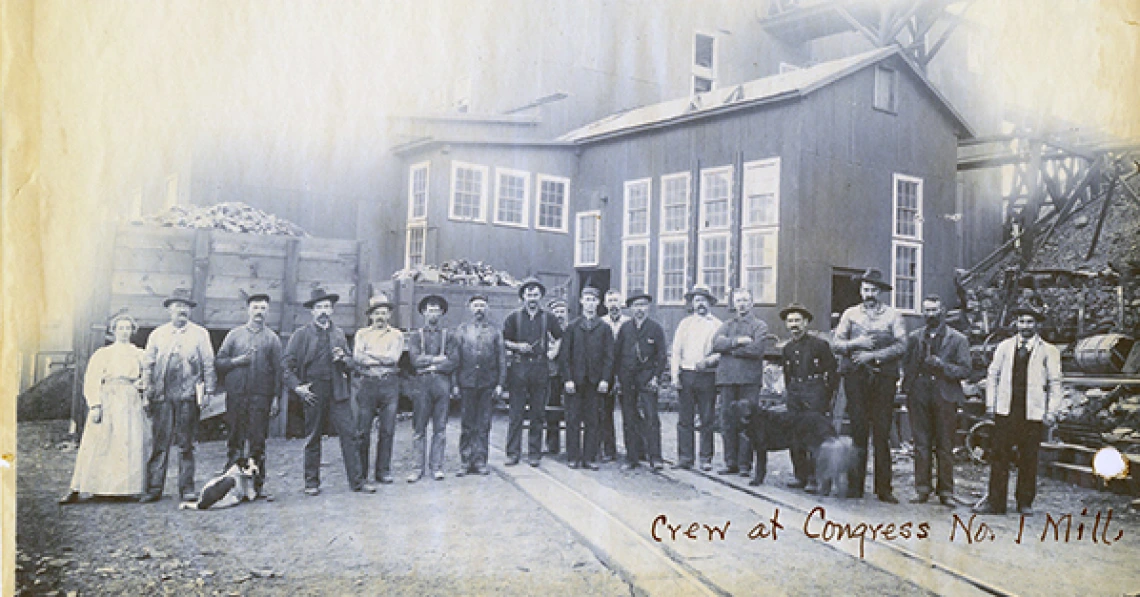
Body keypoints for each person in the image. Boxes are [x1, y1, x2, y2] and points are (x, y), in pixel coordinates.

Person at [974, 305, 1062, 516]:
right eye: (1022, 321)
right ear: (1016, 324)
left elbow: (1055, 383)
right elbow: (992, 375)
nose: (1025, 326)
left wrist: (1051, 412)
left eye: (1030, 322)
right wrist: (991, 405)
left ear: (1037, 324)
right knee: (999, 456)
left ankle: (1024, 502)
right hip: (1006, 411)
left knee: (1029, 458)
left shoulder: (1048, 350)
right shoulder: (1005, 347)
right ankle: (996, 502)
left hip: (1032, 413)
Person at [284, 288, 374, 496]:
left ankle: (357, 482)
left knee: (350, 436)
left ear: (332, 310)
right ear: (312, 311)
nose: (323, 311)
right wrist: (297, 386)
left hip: (338, 392)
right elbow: (286, 365)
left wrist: (343, 358)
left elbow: (352, 364)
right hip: (314, 391)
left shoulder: (339, 334)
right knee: (313, 437)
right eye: (319, 307)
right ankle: (311, 482)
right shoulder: (301, 335)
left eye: (327, 307)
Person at [832, 268, 907, 503]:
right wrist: (858, 343)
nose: (869, 294)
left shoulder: (893, 316)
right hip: (856, 378)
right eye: (866, 289)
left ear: (880, 292)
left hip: (883, 378)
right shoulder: (850, 314)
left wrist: (874, 356)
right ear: (860, 290)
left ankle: (884, 488)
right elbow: (836, 344)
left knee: (882, 431)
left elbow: (902, 345)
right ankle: (855, 486)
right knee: (858, 430)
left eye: (874, 290)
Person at [60, 312, 151, 504]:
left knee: (127, 442)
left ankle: (126, 488)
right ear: (113, 331)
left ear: (132, 331)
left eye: (128, 328)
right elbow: (92, 379)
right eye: (120, 328)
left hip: (129, 400)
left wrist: (141, 386)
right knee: (100, 443)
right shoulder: (103, 354)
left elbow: (148, 376)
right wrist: (95, 405)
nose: (124, 332)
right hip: (108, 398)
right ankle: (85, 487)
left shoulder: (139, 354)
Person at [141, 289, 217, 503]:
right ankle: (154, 488)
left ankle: (187, 488)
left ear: (190, 310)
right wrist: (147, 391)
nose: (181, 310)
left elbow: (208, 363)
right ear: (169, 310)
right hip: (162, 397)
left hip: (188, 397)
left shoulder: (200, 334)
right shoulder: (157, 334)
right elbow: (148, 365)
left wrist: (209, 391)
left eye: (185, 307)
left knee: (186, 444)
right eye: (177, 306)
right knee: (160, 443)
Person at [901, 295, 971, 505]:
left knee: (945, 444)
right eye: (927, 310)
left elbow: (966, 370)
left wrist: (942, 366)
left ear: (942, 311)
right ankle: (922, 488)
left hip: (945, 396)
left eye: (934, 310)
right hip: (919, 395)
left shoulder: (958, 339)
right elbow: (906, 364)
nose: (930, 314)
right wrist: (909, 388)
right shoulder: (915, 337)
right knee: (921, 444)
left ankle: (946, 492)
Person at [214, 293, 283, 500]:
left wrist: (276, 398)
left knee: (257, 442)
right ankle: (229, 485)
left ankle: (256, 487)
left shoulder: (272, 339)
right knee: (235, 439)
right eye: (255, 307)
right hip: (236, 396)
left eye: (263, 308)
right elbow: (219, 362)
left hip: (260, 397)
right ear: (248, 310)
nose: (259, 312)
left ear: (267, 312)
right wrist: (237, 361)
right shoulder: (234, 335)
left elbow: (278, 372)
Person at [502, 277, 563, 466]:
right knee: (516, 413)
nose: (532, 298)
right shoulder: (514, 317)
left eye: (536, 294)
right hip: (519, 368)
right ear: (523, 296)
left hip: (540, 368)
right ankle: (513, 453)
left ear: (541, 297)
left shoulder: (548, 318)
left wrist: (553, 352)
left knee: (538, 413)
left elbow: (560, 336)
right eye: (529, 294)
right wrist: (518, 346)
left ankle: (534, 454)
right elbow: (503, 340)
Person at [779, 302, 839, 491]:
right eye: (790, 321)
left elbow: (832, 371)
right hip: (795, 393)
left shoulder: (820, 345)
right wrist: (790, 393)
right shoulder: (787, 348)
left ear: (806, 322)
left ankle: (815, 478)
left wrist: (826, 394)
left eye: (797, 320)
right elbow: (788, 374)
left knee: (814, 436)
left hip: (815, 392)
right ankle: (800, 476)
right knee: (795, 435)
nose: (794, 325)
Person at [711, 288, 768, 477]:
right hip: (727, 380)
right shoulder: (727, 325)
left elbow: (757, 349)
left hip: (749, 381)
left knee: (748, 422)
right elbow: (716, 344)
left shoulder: (759, 326)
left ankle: (745, 464)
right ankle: (730, 462)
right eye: (738, 301)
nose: (742, 304)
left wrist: (732, 350)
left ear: (752, 302)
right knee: (727, 420)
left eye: (745, 300)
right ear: (734, 304)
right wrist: (738, 341)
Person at [559, 287, 614, 470]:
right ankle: (573, 456)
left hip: (595, 382)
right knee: (572, 419)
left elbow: (609, 356)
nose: (590, 303)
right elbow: (564, 356)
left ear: (598, 303)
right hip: (575, 382)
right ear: (582, 302)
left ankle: (589, 457)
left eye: (593, 299)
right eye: (587, 299)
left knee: (593, 420)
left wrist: (605, 379)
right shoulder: (572, 327)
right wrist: (567, 379)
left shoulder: (604, 328)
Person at [353, 293, 403, 485]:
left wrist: (370, 356)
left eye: (384, 313)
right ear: (370, 316)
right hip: (368, 383)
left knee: (387, 430)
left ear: (389, 315)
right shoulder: (362, 334)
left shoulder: (396, 335)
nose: (380, 317)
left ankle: (383, 471)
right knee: (363, 431)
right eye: (377, 313)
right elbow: (358, 357)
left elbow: (394, 359)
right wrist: (380, 357)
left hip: (389, 384)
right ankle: (362, 473)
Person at [670, 284, 722, 471]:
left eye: (704, 300)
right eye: (697, 300)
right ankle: (685, 457)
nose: (700, 304)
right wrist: (675, 375)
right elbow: (676, 350)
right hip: (687, 374)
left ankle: (705, 458)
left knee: (707, 418)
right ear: (692, 303)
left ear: (710, 303)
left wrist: (709, 361)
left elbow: (721, 352)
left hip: (707, 376)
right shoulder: (685, 324)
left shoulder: (717, 325)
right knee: (685, 418)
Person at [614, 293, 668, 470]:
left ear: (648, 308)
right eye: (636, 305)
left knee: (651, 417)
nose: (640, 309)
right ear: (630, 308)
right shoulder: (625, 328)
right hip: (627, 378)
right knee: (629, 417)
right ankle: (632, 457)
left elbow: (661, 356)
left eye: (643, 305)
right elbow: (617, 354)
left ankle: (655, 457)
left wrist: (656, 377)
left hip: (647, 378)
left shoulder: (655, 328)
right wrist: (617, 378)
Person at [453, 294, 505, 476]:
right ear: (470, 308)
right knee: (467, 424)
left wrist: (500, 383)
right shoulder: (462, 330)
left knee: (483, 424)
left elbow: (501, 360)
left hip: (487, 383)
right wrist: (455, 384)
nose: (479, 309)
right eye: (476, 305)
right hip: (466, 383)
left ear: (487, 309)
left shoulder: (495, 331)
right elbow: (455, 359)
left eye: (482, 305)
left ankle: (481, 460)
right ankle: (465, 462)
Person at [407, 294, 457, 482]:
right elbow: (415, 360)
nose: (433, 313)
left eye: (437, 310)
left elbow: (453, 361)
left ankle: (436, 467)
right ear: (423, 313)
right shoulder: (415, 336)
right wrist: (437, 360)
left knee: (440, 428)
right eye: (430, 310)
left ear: (442, 313)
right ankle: (416, 468)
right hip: (422, 385)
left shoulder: (448, 336)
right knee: (419, 428)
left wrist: (432, 365)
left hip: (442, 384)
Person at [601, 289, 631, 462]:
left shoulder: (629, 323)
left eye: (616, 301)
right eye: (610, 301)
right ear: (605, 304)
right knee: (605, 412)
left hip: (626, 372)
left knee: (630, 412)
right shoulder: (601, 323)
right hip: (606, 372)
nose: (613, 304)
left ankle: (634, 450)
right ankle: (609, 449)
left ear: (622, 303)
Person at [545, 298, 570, 456]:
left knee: (571, 409)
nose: (559, 315)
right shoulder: (546, 331)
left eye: (562, 312)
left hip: (569, 375)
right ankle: (552, 443)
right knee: (552, 408)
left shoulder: (572, 329)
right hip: (552, 374)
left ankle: (570, 445)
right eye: (556, 312)